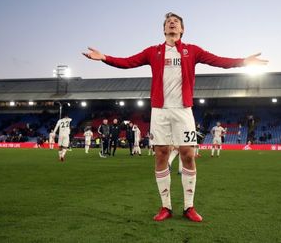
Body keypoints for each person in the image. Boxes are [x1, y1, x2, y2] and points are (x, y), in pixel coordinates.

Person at [83, 12, 267, 222]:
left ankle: (189, 207)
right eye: (169, 22)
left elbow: (218, 61)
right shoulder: (153, 51)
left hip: (183, 110)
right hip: (160, 110)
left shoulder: (192, 51)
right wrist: (105, 58)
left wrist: (243, 61)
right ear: (164, 29)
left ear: (182, 29)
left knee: (187, 153)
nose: (172, 23)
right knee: (161, 153)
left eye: (176, 22)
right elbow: (128, 62)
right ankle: (166, 207)